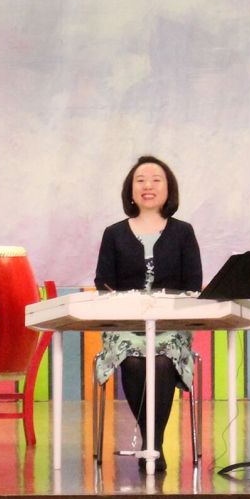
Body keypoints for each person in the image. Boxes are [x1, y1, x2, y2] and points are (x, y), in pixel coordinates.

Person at [92, 155, 202, 474]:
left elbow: (193, 284)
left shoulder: (183, 232)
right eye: (140, 180)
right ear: (130, 190)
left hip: (170, 325)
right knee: (133, 359)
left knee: (162, 360)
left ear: (169, 189)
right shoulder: (113, 233)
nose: (148, 186)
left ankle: (153, 443)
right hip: (126, 325)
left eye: (156, 180)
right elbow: (103, 282)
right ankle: (151, 443)